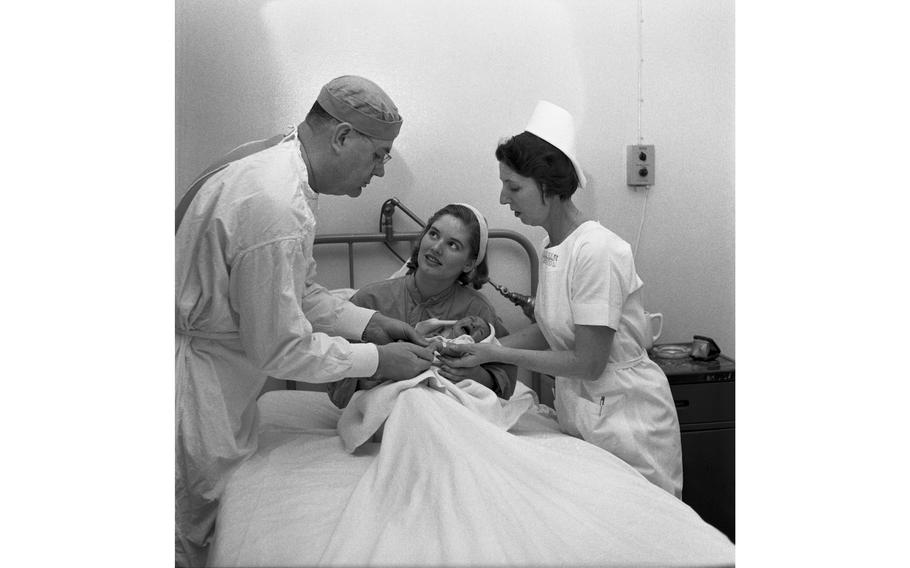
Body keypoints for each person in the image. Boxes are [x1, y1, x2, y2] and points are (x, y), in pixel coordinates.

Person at [175, 75, 436, 567]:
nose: (381, 172)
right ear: (341, 137)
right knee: (183, 530)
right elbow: (280, 348)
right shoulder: (276, 205)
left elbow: (296, 290)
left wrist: (369, 322)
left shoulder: (278, 169)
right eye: (379, 155)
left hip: (221, 374)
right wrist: (379, 358)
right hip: (198, 387)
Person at [439, 101, 683, 497]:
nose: (503, 199)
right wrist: (482, 346)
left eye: (513, 186)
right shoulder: (553, 245)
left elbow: (587, 361)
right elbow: (553, 330)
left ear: (548, 186)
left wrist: (497, 356)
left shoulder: (598, 250)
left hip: (627, 421)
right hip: (585, 411)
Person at [327, 203, 517, 409]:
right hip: (379, 412)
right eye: (434, 234)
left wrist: (477, 376)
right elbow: (337, 388)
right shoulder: (369, 301)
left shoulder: (477, 312)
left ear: (469, 264)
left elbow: (504, 380)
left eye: (453, 245)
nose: (436, 247)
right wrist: (381, 368)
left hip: (449, 413)